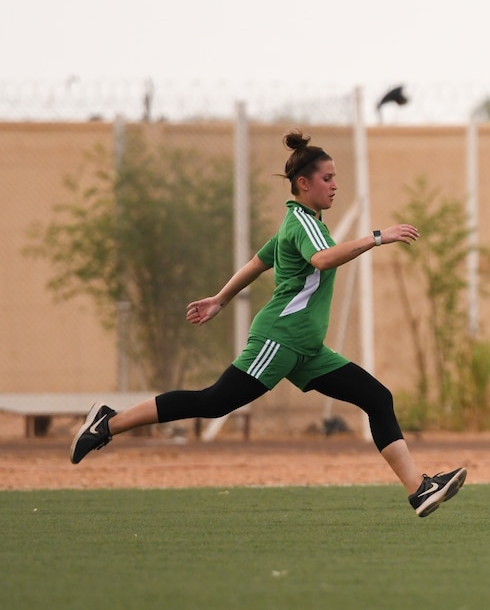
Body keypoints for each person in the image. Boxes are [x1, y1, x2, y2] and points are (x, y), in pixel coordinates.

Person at [71, 130, 467, 518]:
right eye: (327, 179)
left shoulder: (297, 223)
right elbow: (324, 259)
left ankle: (419, 489)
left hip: (307, 350)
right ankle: (109, 421)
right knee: (213, 402)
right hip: (279, 340)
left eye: (334, 178)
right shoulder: (304, 224)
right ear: (303, 183)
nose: (334, 186)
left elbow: (258, 262)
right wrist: (378, 237)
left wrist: (220, 299)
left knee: (377, 398)